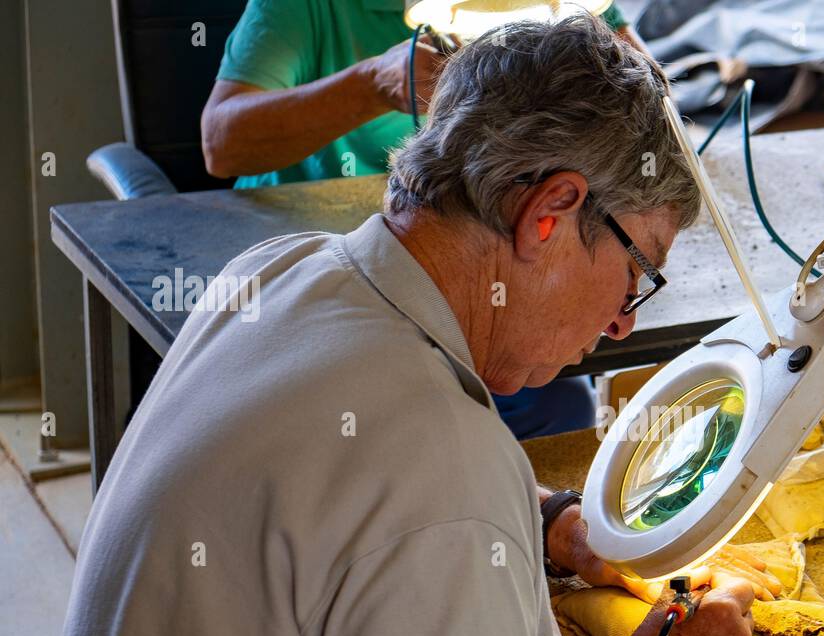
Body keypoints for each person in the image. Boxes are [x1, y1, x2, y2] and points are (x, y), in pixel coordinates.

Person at [6, 15, 754, 636]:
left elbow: (338, 500)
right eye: (637, 270)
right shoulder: (437, 477)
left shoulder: (280, 272)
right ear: (550, 211)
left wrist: (552, 521)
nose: (622, 322)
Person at [201, 0, 650, 440]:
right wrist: (372, 83)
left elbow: (647, 100)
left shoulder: (554, 4)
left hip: (469, 271)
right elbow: (221, 144)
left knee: (560, 405)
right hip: (317, 275)